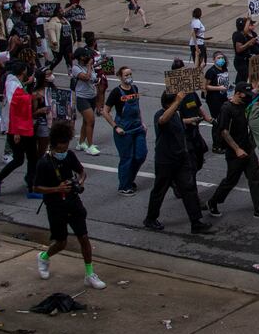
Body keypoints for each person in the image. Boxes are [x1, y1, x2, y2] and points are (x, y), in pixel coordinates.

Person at [33, 122, 106, 289]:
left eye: (65, 149)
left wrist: (79, 182)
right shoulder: (44, 163)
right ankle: (44, 256)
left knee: (84, 237)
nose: (62, 152)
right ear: (53, 145)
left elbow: (82, 172)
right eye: (60, 150)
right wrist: (56, 189)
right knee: (61, 242)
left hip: (73, 201)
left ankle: (89, 273)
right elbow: (36, 187)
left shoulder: (69, 156)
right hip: (55, 205)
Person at [145, 91, 211, 234]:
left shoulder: (176, 114)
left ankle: (196, 222)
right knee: (159, 191)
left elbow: (180, 123)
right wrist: (176, 102)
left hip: (181, 159)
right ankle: (150, 219)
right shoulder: (160, 114)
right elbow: (163, 120)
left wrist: (191, 120)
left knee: (189, 189)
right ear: (170, 103)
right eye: (176, 101)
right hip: (166, 161)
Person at [207, 83, 259, 220]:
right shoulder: (227, 109)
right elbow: (224, 131)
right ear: (237, 94)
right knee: (231, 180)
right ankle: (213, 201)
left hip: (248, 148)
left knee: (255, 178)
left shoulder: (245, 101)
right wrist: (237, 149)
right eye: (245, 95)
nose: (248, 97)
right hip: (234, 152)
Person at [0, 76, 40, 198]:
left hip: (26, 128)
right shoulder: (15, 89)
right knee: (19, 159)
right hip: (18, 130)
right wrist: (17, 132)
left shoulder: (18, 86)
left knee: (32, 157)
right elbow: (15, 111)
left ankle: (31, 186)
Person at [106, 67, 147, 196]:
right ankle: (124, 186)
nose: (128, 76)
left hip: (137, 128)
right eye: (126, 75)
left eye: (130, 74)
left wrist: (142, 123)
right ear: (120, 77)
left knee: (141, 155)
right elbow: (105, 111)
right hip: (124, 130)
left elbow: (137, 108)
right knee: (126, 158)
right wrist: (115, 126)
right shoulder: (116, 92)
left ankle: (129, 179)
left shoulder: (135, 89)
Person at [202, 53, 232, 119]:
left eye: (222, 58)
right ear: (214, 60)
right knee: (218, 118)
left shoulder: (224, 69)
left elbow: (224, 82)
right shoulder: (211, 71)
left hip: (223, 97)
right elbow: (206, 86)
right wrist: (219, 88)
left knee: (225, 117)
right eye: (218, 58)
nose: (221, 59)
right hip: (214, 99)